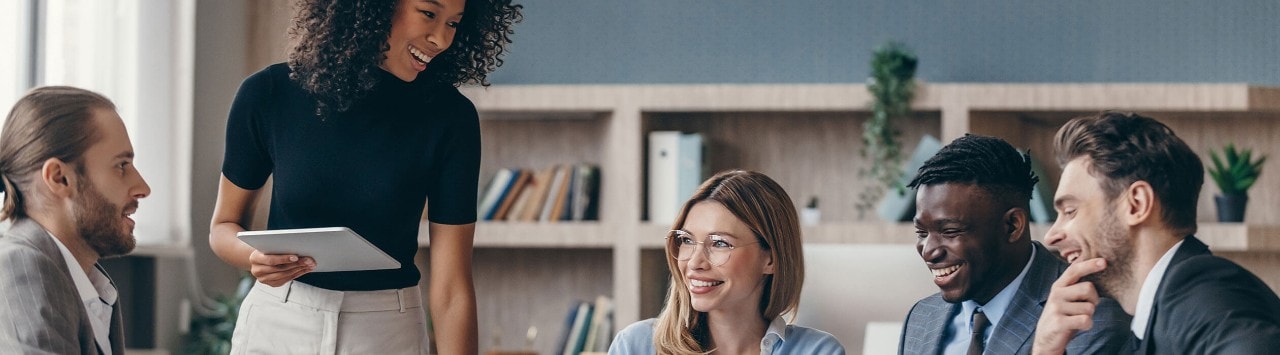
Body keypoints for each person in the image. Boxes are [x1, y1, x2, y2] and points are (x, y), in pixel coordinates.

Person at [207, 0, 520, 353]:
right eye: (429, 14)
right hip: (277, 323)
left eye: (454, 24)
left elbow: (452, 289)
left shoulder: (451, 118)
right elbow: (224, 227)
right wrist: (255, 259)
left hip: (388, 331)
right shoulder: (267, 94)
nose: (441, 39)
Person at [1033, 112, 1280, 354]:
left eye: (1070, 210)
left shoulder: (1201, 292)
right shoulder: (1157, 315)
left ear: (1136, 204)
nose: (1051, 236)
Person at [899, 134, 1129, 355]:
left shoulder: (1087, 314)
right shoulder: (921, 318)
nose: (929, 250)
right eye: (921, 232)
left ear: (1012, 226)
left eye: (950, 231)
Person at [609, 170, 845, 355]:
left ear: (771, 259)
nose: (695, 262)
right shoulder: (635, 347)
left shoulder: (817, 351)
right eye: (687, 240)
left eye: (720, 243)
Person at [0, 86, 152, 354]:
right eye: (121, 166)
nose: (143, 187)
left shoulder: (90, 282)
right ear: (59, 178)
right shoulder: (22, 266)